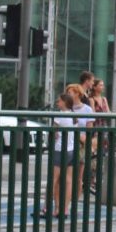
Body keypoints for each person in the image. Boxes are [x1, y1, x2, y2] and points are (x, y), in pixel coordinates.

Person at [38, 86, 83, 219]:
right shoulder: (74, 116)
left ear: (65, 103)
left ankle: (46, 208)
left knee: (53, 180)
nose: (57, 103)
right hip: (71, 150)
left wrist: (55, 131)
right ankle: (64, 210)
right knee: (69, 180)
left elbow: (54, 131)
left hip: (59, 150)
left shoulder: (59, 116)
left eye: (59, 101)